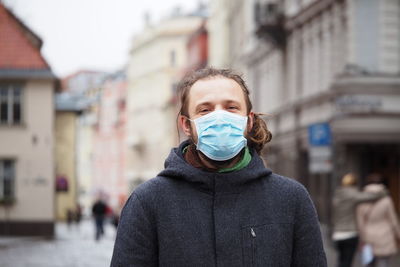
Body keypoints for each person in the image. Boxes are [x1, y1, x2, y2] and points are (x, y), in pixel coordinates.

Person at [111, 67, 327, 266]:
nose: (219, 117)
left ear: (248, 121)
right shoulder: (148, 202)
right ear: (186, 125)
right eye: (205, 110)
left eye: (231, 107)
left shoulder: (290, 199)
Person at [331, 173, 386, 267]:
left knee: (341, 260)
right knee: (347, 262)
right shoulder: (351, 194)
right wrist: (383, 192)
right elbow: (369, 197)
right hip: (350, 233)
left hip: (337, 234)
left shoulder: (337, 195)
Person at [356, 173, 400, 267]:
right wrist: (398, 234)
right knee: (383, 263)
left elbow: (360, 223)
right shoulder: (386, 200)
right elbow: (393, 220)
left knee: (368, 263)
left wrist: (362, 239)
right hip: (385, 236)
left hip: (368, 236)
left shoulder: (362, 200)